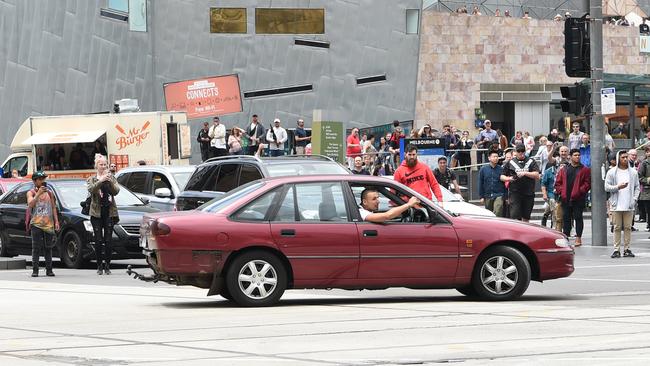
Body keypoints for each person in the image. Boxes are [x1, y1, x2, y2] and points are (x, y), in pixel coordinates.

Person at [87, 154, 120, 275]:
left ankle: (107, 266)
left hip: (109, 211)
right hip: (96, 212)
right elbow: (91, 190)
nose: (103, 166)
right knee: (98, 239)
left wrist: (109, 181)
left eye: (105, 164)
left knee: (108, 240)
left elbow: (116, 191)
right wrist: (100, 181)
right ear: (96, 166)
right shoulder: (92, 179)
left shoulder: (111, 177)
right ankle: (99, 266)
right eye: (101, 164)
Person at [605, 150, 640, 258]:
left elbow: (637, 187)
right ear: (618, 159)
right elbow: (606, 187)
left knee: (628, 227)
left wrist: (634, 199)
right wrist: (617, 187)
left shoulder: (633, 172)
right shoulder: (611, 172)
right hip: (616, 205)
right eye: (622, 157)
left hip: (629, 205)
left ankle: (627, 249)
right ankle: (616, 249)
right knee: (617, 227)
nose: (625, 159)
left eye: (626, 157)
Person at [555, 149, 591, 246]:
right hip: (565, 198)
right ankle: (566, 237)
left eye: (579, 155)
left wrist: (580, 191)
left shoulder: (585, 169)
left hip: (578, 198)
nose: (578, 157)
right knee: (566, 218)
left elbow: (587, 183)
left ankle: (578, 238)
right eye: (575, 155)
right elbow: (558, 183)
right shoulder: (564, 169)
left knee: (578, 217)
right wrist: (561, 192)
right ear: (570, 156)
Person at [26, 171, 60, 277]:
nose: (42, 181)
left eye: (43, 179)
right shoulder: (30, 192)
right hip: (36, 224)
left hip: (48, 224)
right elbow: (30, 204)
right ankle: (35, 270)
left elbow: (54, 207)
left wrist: (56, 221)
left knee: (48, 247)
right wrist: (38, 194)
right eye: (40, 179)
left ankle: (49, 269)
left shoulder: (50, 193)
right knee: (36, 247)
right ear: (35, 181)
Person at [501, 144, 540, 222]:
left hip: (528, 193)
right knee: (515, 215)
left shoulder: (531, 161)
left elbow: (537, 175)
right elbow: (502, 176)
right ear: (515, 152)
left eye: (522, 151)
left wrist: (525, 173)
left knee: (526, 216)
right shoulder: (510, 162)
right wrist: (509, 179)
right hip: (515, 193)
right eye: (519, 151)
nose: (521, 153)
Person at [478, 151, 506, 217]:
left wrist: (505, 195)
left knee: (498, 210)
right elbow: (480, 183)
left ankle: (497, 225)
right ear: (489, 158)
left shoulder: (501, 169)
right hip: (487, 195)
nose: (496, 158)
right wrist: (481, 196)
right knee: (489, 214)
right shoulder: (483, 169)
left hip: (499, 194)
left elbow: (505, 183)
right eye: (494, 157)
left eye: (497, 157)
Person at [540, 160, 557, 227]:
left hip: (561, 193)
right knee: (554, 209)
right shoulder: (548, 171)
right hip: (551, 193)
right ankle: (554, 226)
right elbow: (543, 184)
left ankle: (545, 215)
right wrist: (544, 194)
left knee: (549, 208)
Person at [638, 146, 650, 230]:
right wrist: (648, 180)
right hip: (647, 192)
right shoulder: (644, 163)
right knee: (649, 211)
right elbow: (639, 177)